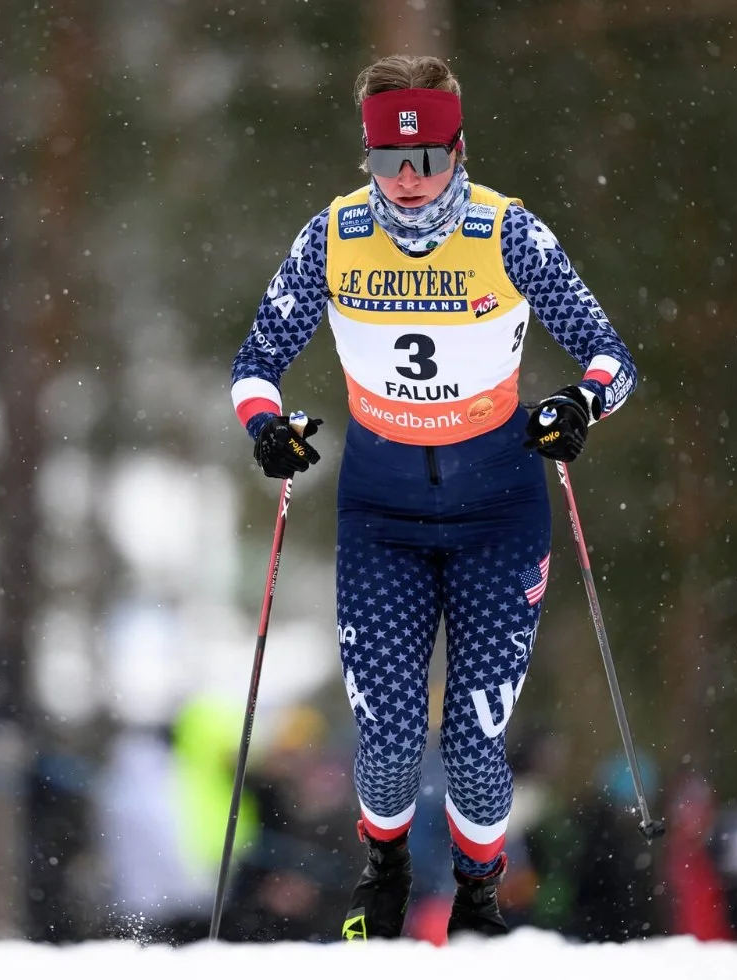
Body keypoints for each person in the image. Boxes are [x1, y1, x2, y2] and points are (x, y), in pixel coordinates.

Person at [228, 54, 637, 940]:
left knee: (473, 742)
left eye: (428, 162)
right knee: (385, 738)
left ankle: (481, 901)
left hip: (499, 512)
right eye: (387, 165)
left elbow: (612, 356)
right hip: (382, 517)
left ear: (460, 149)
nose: (408, 185)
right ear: (364, 160)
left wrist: (578, 405)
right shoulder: (333, 237)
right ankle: (381, 873)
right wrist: (268, 429)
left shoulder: (509, 233)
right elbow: (256, 362)